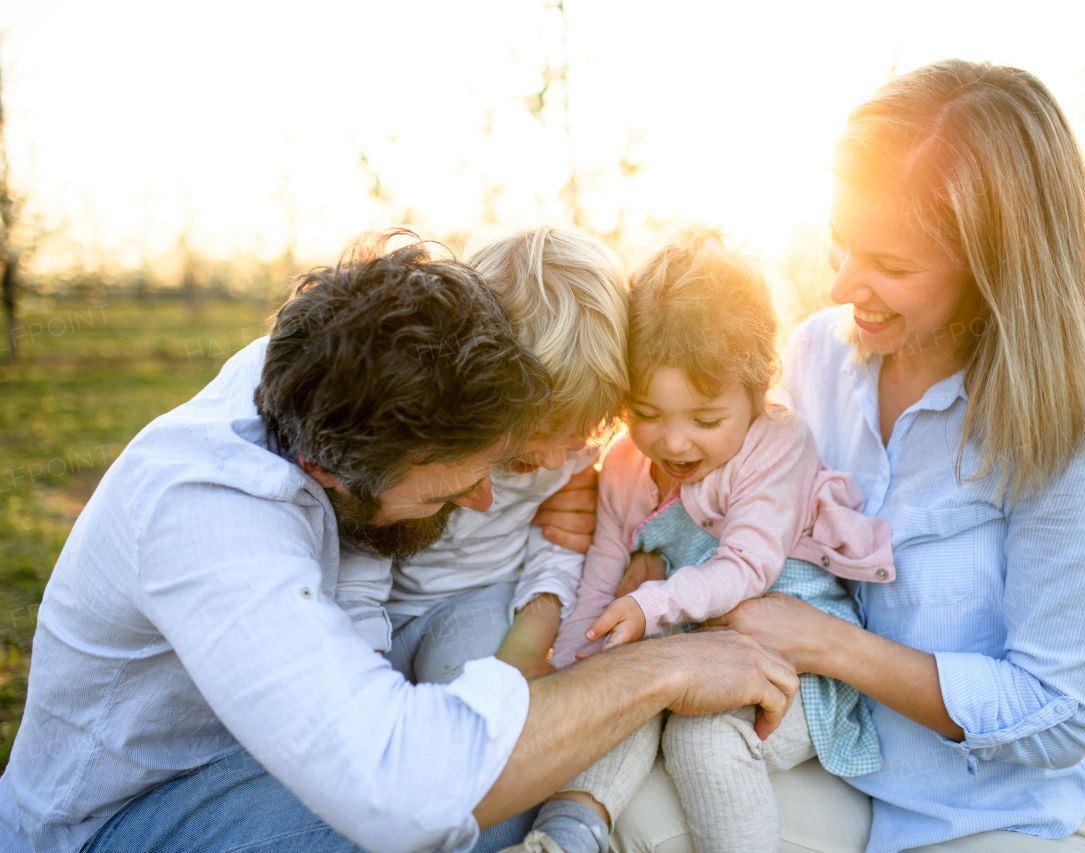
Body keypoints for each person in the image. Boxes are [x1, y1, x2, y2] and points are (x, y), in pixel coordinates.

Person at [0, 231, 800, 853]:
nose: (485, 498)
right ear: (331, 471)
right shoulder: (209, 517)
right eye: (448, 494)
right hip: (123, 823)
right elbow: (403, 784)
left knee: (510, 770)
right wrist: (666, 666)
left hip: (248, 757)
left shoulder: (330, 373)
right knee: (479, 795)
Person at [616, 60, 1085, 853]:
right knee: (645, 812)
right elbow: (715, 463)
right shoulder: (814, 360)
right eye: (840, 245)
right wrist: (595, 491)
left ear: (995, 263)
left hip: (1009, 812)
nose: (840, 285)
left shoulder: (1071, 426)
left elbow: (1058, 714)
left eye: (890, 266)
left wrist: (829, 644)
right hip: (849, 773)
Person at [507, 230, 896, 853]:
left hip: (790, 660)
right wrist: (575, 665)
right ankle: (566, 837)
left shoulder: (776, 445)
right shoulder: (630, 463)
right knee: (619, 692)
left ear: (759, 387)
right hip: (686, 641)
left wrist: (650, 606)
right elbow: (604, 568)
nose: (674, 443)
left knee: (704, 734)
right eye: (648, 413)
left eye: (706, 420)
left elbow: (745, 566)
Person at [333, 224, 630, 685]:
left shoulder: (573, 460)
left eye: (576, 437)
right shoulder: (429, 433)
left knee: (465, 691)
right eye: (538, 434)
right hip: (379, 605)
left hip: (480, 599)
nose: (554, 461)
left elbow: (558, 547)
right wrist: (360, 638)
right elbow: (364, 541)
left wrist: (529, 642)